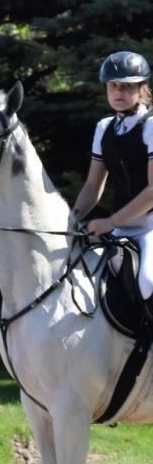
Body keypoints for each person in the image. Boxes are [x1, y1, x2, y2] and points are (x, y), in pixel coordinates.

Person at [73, 50, 153, 300]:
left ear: (141, 89)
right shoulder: (104, 127)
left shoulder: (151, 125)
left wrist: (111, 222)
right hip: (120, 228)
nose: (119, 92)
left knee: (148, 282)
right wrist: (72, 219)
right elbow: (92, 186)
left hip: (150, 227)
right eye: (113, 85)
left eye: (127, 86)